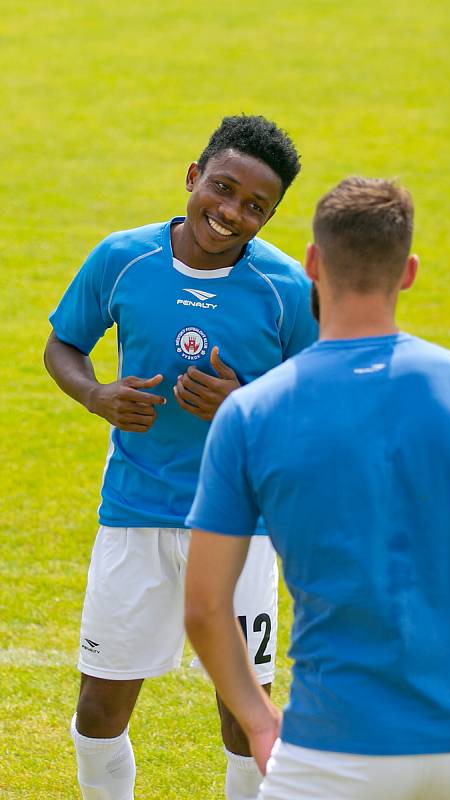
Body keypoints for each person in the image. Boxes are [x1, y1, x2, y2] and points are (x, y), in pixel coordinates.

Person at [185, 176, 450, 800]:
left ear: (313, 264)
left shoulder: (251, 414)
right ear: (409, 273)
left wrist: (261, 724)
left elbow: (206, 607)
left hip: (332, 748)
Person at [44, 114, 317, 800]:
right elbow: (63, 344)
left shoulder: (285, 290)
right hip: (133, 511)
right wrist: (95, 395)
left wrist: (242, 406)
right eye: (221, 188)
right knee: (99, 713)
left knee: (241, 717)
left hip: (238, 527)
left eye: (254, 207)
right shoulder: (122, 259)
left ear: (271, 215)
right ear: (193, 177)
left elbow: (319, 404)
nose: (229, 213)